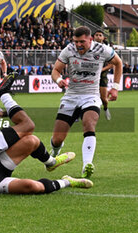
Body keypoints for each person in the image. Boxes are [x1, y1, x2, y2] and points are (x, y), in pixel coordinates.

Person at [49, 26, 122, 179]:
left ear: (90, 39)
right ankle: (55, 153)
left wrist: (115, 87)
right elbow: (55, 70)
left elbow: (118, 63)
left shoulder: (102, 49)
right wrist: (59, 80)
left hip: (91, 96)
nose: (79, 45)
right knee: (57, 139)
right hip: (71, 97)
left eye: (82, 41)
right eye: (76, 42)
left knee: (89, 124)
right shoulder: (68, 50)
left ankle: (86, 165)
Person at [93, 30, 113, 120]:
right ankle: (78, 113)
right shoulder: (89, 48)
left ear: (103, 38)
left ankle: (105, 108)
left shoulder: (107, 50)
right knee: (85, 95)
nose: (98, 36)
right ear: (93, 37)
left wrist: (101, 70)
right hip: (90, 76)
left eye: (100, 35)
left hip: (102, 76)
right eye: (96, 35)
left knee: (104, 99)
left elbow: (112, 64)